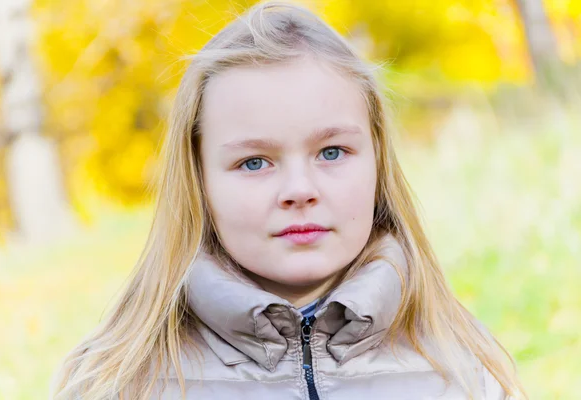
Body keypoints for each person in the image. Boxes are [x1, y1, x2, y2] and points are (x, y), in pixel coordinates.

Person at [50, 1, 527, 399]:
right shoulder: (116, 379)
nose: (300, 190)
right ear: (199, 182)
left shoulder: (466, 369)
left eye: (332, 152)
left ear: (378, 163)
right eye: (255, 162)